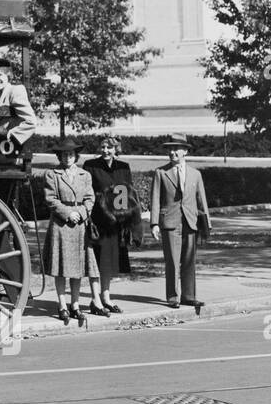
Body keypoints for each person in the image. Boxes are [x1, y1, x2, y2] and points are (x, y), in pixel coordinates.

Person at [149, 133, 211, 313]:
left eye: (176, 149)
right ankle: (173, 297)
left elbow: (202, 201)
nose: (172, 152)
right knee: (172, 261)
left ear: (185, 151)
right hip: (170, 221)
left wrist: (207, 225)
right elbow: (155, 199)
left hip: (190, 222)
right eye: (170, 149)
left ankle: (189, 296)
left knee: (189, 260)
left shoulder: (195, 174)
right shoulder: (161, 172)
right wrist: (154, 223)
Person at [42, 138, 100, 326]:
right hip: (61, 225)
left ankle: (75, 305)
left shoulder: (85, 175)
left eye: (71, 154)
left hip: (80, 225)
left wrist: (81, 213)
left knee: (78, 268)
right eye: (64, 154)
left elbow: (90, 198)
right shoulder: (52, 174)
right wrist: (68, 214)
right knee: (61, 269)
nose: (67, 157)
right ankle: (62, 306)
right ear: (59, 156)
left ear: (76, 156)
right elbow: (50, 199)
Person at [84, 135, 139, 315]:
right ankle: (95, 300)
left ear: (116, 149)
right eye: (103, 147)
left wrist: (126, 221)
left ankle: (106, 297)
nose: (105, 151)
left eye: (109, 147)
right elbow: (86, 193)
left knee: (109, 263)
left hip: (116, 222)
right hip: (97, 222)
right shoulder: (91, 166)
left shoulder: (123, 167)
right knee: (95, 262)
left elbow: (128, 194)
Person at [0, 57, 38, 146]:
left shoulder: (15, 91)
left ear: (8, 76)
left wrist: (8, 135)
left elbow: (30, 122)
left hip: (3, 150)